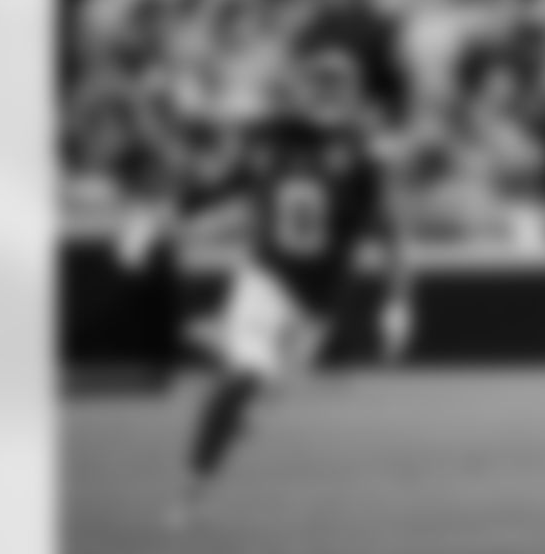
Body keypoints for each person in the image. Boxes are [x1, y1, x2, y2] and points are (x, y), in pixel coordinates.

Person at [164, 58, 398, 529]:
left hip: (317, 308)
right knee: (245, 378)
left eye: (337, 88)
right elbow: (223, 185)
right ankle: (191, 492)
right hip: (267, 281)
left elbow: (387, 230)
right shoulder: (271, 137)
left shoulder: (360, 158)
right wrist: (175, 217)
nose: (328, 98)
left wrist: (398, 299)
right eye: (320, 87)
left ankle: (220, 355)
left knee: (263, 388)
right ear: (306, 91)